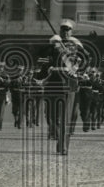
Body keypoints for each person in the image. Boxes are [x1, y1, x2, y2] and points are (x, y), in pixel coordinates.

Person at [36, 19, 85, 155]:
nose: (65, 32)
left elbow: (86, 59)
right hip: (53, 82)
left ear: (71, 31)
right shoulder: (54, 44)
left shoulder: (76, 44)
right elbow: (40, 54)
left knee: (65, 117)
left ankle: (63, 146)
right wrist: (51, 42)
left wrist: (75, 67)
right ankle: (58, 138)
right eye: (63, 30)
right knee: (52, 116)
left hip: (68, 83)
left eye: (67, 30)